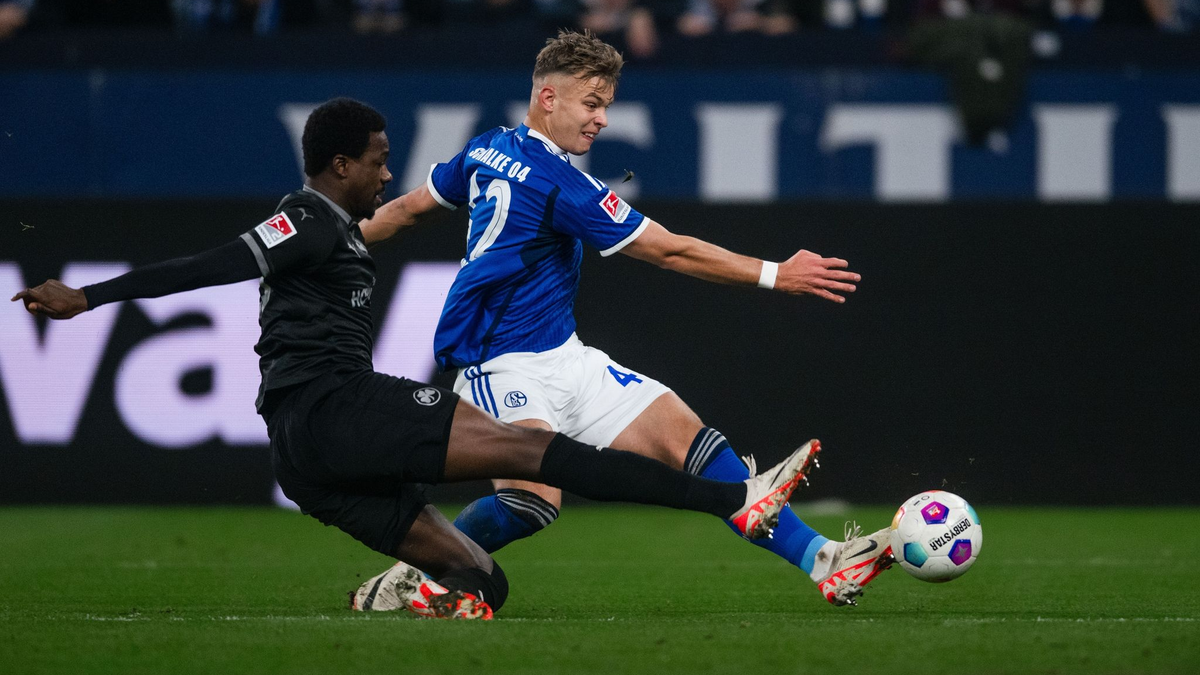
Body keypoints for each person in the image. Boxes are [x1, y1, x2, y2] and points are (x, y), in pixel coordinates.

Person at [12, 97, 819, 621]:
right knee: (542, 455)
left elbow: (399, 212)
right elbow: (220, 263)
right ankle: (728, 500)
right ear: (339, 167)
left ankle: (415, 588)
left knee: (484, 584)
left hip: (305, 464)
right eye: (376, 158)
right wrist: (91, 296)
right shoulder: (308, 218)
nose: (387, 171)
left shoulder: (345, 233)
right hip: (337, 408)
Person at [358, 30, 893, 607]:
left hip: (565, 355)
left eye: (606, 105)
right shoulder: (562, 184)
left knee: (690, 441)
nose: (602, 119)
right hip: (500, 364)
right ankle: (414, 573)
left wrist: (338, 241)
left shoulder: (488, 146)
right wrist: (775, 273)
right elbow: (669, 250)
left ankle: (825, 561)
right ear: (548, 98)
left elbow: (410, 207)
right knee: (532, 503)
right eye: (592, 103)